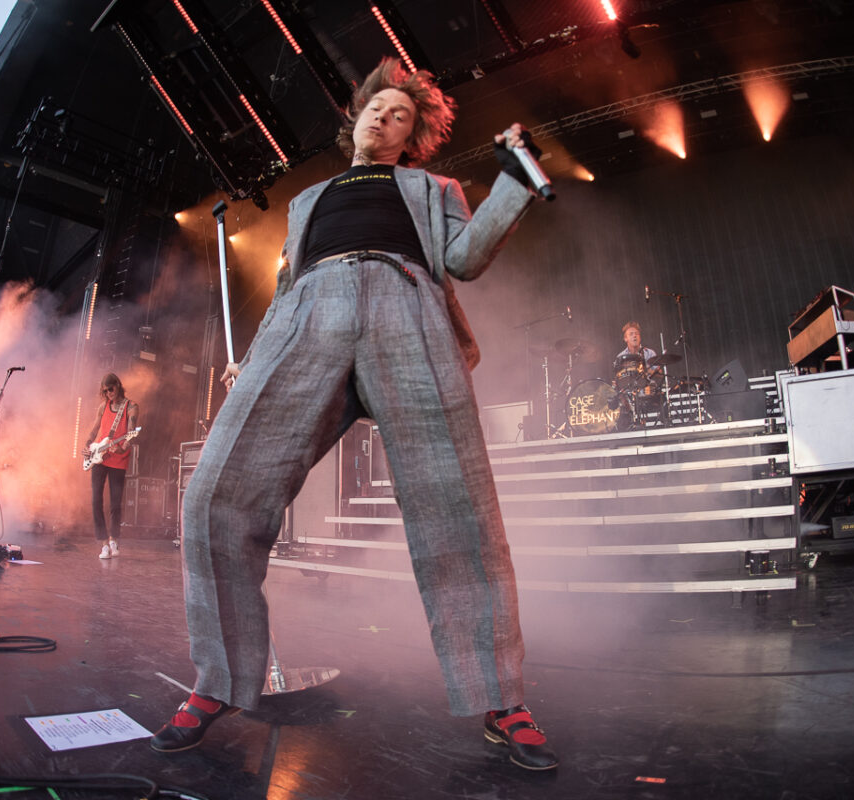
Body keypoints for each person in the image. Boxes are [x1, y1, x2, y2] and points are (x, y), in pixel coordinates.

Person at [150, 58, 558, 771]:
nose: (386, 118)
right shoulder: (309, 202)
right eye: (378, 108)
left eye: (402, 114)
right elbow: (285, 287)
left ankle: (501, 697)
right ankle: (218, 681)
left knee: (457, 505)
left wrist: (516, 182)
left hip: (409, 308)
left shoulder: (435, 188)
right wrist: (256, 354)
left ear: (416, 134)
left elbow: (463, 259)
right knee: (216, 492)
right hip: (310, 312)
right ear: (357, 119)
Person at [83, 373, 139, 560]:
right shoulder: (103, 407)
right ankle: (103, 544)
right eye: (105, 391)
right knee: (95, 501)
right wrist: (88, 445)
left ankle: (114, 539)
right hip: (99, 456)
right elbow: (95, 428)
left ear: (118, 385)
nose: (108, 394)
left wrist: (122, 449)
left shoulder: (131, 406)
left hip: (118, 460)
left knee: (115, 503)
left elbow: (131, 433)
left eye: (111, 389)